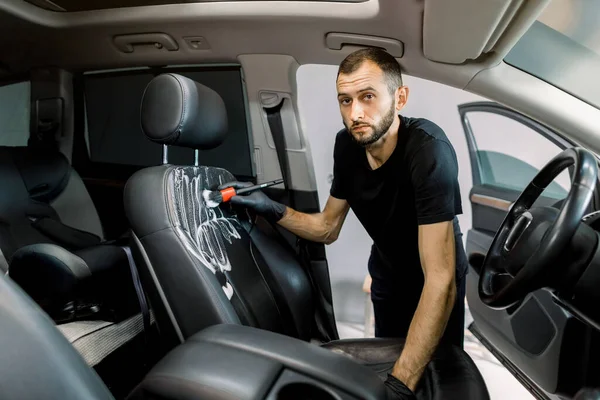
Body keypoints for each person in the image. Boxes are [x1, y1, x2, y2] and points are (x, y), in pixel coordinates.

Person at [218, 47, 468, 398]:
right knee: (388, 362)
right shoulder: (347, 146)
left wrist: (399, 385)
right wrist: (270, 208)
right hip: (388, 278)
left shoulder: (428, 150)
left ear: (400, 97)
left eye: (367, 97)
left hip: (436, 281)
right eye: (345, 101)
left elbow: (440, 279)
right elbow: (327, 228)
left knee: (434, 378)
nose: (356, 113)